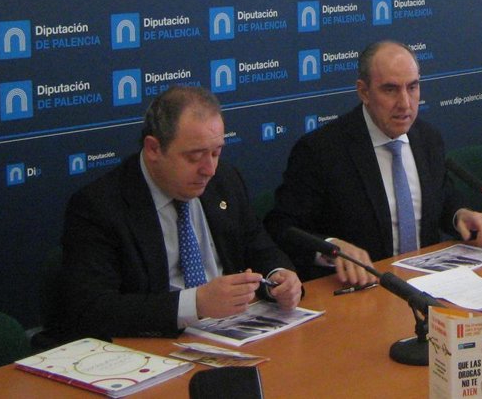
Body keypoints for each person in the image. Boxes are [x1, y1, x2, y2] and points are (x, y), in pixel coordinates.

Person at [54, 85, 302, 341]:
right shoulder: (100, 206)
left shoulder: (225, 181)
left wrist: (278, 276)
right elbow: (92, 310)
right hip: (156, 343)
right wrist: (195, 304)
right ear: (153, 149)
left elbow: (258, 246)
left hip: (232, 333)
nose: (209, 169)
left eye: (216, 153)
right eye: (194, 157)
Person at [265, 40, 482, 285]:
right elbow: (281, 227)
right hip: (364, 289)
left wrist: (459, 214)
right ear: (364, 92)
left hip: (428, 284)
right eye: (390, 90)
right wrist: (331, 248)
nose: (405, 103)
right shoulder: (322, 150)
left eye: (412, 87)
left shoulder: (427, 139)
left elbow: (441, 196)